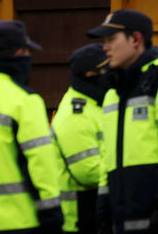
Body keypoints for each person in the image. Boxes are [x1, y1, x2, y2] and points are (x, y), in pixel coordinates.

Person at [87, 10, 158, 234]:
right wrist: (102, 206)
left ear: (136, 40)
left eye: (111, 40)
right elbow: (106, 156)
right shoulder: (113, 93)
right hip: (125, 217)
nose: (105, 47)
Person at [0, 20, 63, 234]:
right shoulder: (23, 100)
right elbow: (40, 162)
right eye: (25, 50)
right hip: (17, 221)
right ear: (17, 53)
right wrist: (52, 213)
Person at [51, 43, 109, 234]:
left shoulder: (96, 104)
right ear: (90, 75)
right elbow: (87, 172)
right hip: (79, 218)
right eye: (105, 69)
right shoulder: (75, 115)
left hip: (95, 212)